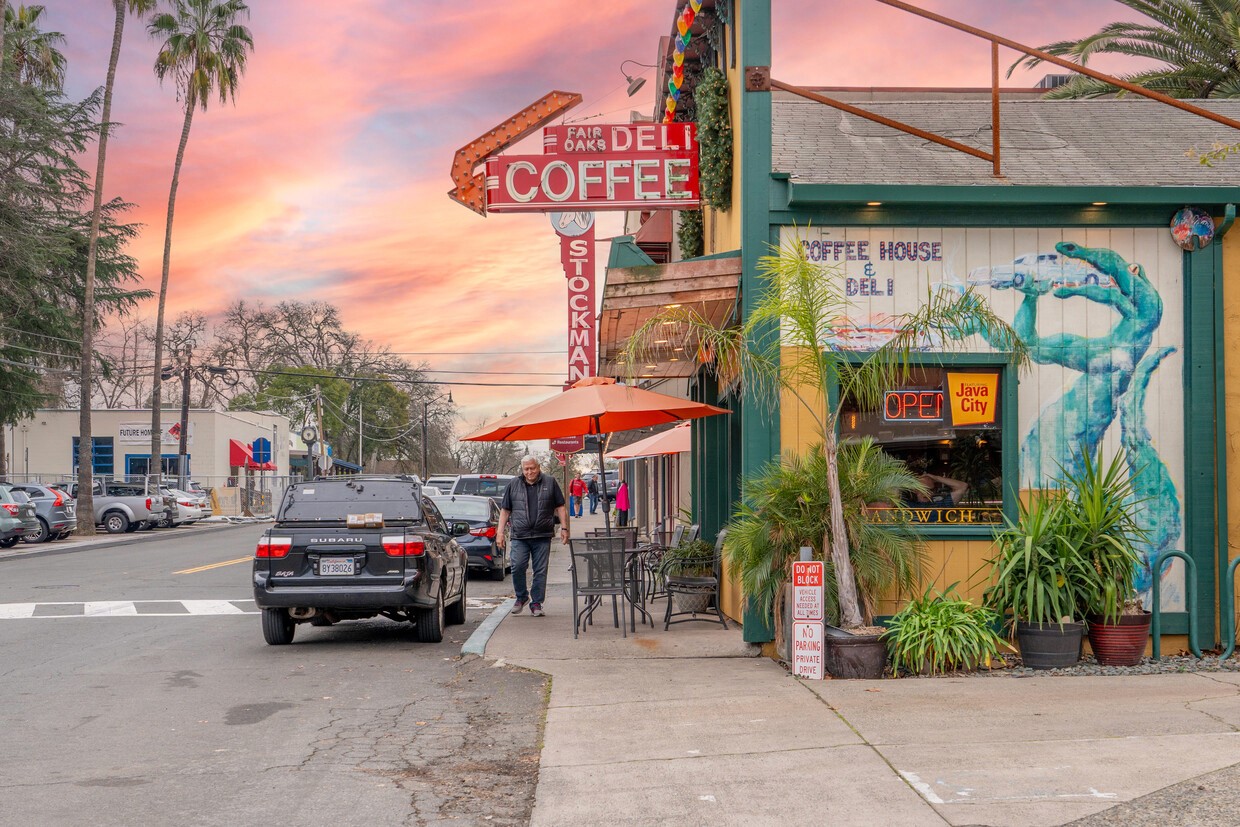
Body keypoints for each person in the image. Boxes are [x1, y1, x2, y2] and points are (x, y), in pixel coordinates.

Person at [497, 455, 569, 617]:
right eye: (526, 469)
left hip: (542, 535)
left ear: (538, 467)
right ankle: (521, 597)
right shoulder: (513, 484)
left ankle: (536, 603)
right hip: (519, 535)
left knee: (540, 570)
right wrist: (500, 532)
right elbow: (505, 510)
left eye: (532, 468)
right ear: (522, 470)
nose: (529, 472)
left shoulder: (550, 482)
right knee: (517, 566)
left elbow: (560, 507)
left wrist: (564, 528)